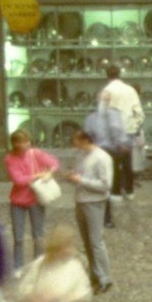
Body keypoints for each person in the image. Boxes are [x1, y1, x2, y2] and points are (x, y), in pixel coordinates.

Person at [0, 129, 60, 271]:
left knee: (38, 235)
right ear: (15, 145)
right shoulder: (10, 158)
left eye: (26, 143)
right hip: (18, 201)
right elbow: (18, 180)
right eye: (20, 144)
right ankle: (18, 266)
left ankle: (37, 264)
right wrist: (38, 175)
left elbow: (54, 163)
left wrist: (49, 173)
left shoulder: (35, 153)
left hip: (36, 199)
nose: (24, 146)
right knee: (18, 237)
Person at [66, 123, 115, 292]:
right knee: (87, 242)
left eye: (77, 141)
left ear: (86, 140)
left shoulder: (102, 158)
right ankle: (95, 274)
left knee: (96, 241)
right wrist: (73, 176)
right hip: (81, 200)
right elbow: (80, 173)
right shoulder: (81, 155)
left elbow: (105, 184)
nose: (75, 145)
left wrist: (81, 181)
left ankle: (105, 277)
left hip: (94, 201)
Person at [79, 100, 131, 229]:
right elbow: (87, 135)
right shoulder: (92, 118)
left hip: (111, 153)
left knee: (107, 184)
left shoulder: (114, 116)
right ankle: (103, 216)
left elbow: (121, 134)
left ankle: (105, 215)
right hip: (99, 152)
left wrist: (123, 145)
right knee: (102, 184)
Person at [97, 63, 144, 203]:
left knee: (113, 163)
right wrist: (133, 129)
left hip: (112, 132)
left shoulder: (106, 91)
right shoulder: (130, 90)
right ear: (120, 74)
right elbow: (139, 113)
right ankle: (129, 190)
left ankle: (116, 192)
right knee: (127, 161)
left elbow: (101, 113)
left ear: (107, 75)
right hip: (128, 131)